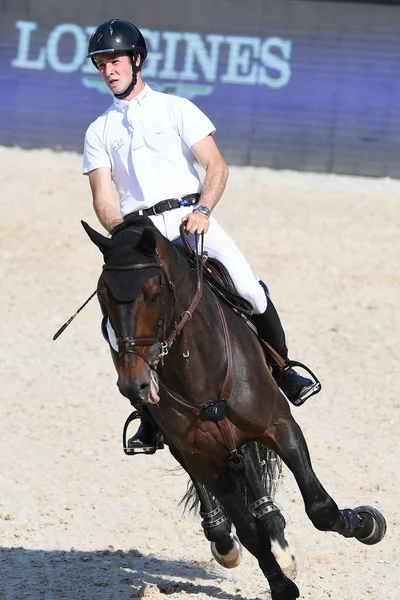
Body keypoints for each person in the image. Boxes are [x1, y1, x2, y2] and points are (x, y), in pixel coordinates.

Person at [83, 19, 320, 449]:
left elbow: (217, 166)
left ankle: (284, 369)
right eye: (101, 64)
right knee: (116, 327)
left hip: (190, 218)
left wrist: (204, 210)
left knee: (248, 288)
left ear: (137, 60)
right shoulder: (98, 131)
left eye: (115, 61)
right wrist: (121, 235)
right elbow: (103, 195)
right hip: (139, 233)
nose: (108, 70)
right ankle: (149, 414)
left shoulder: (177, 109)